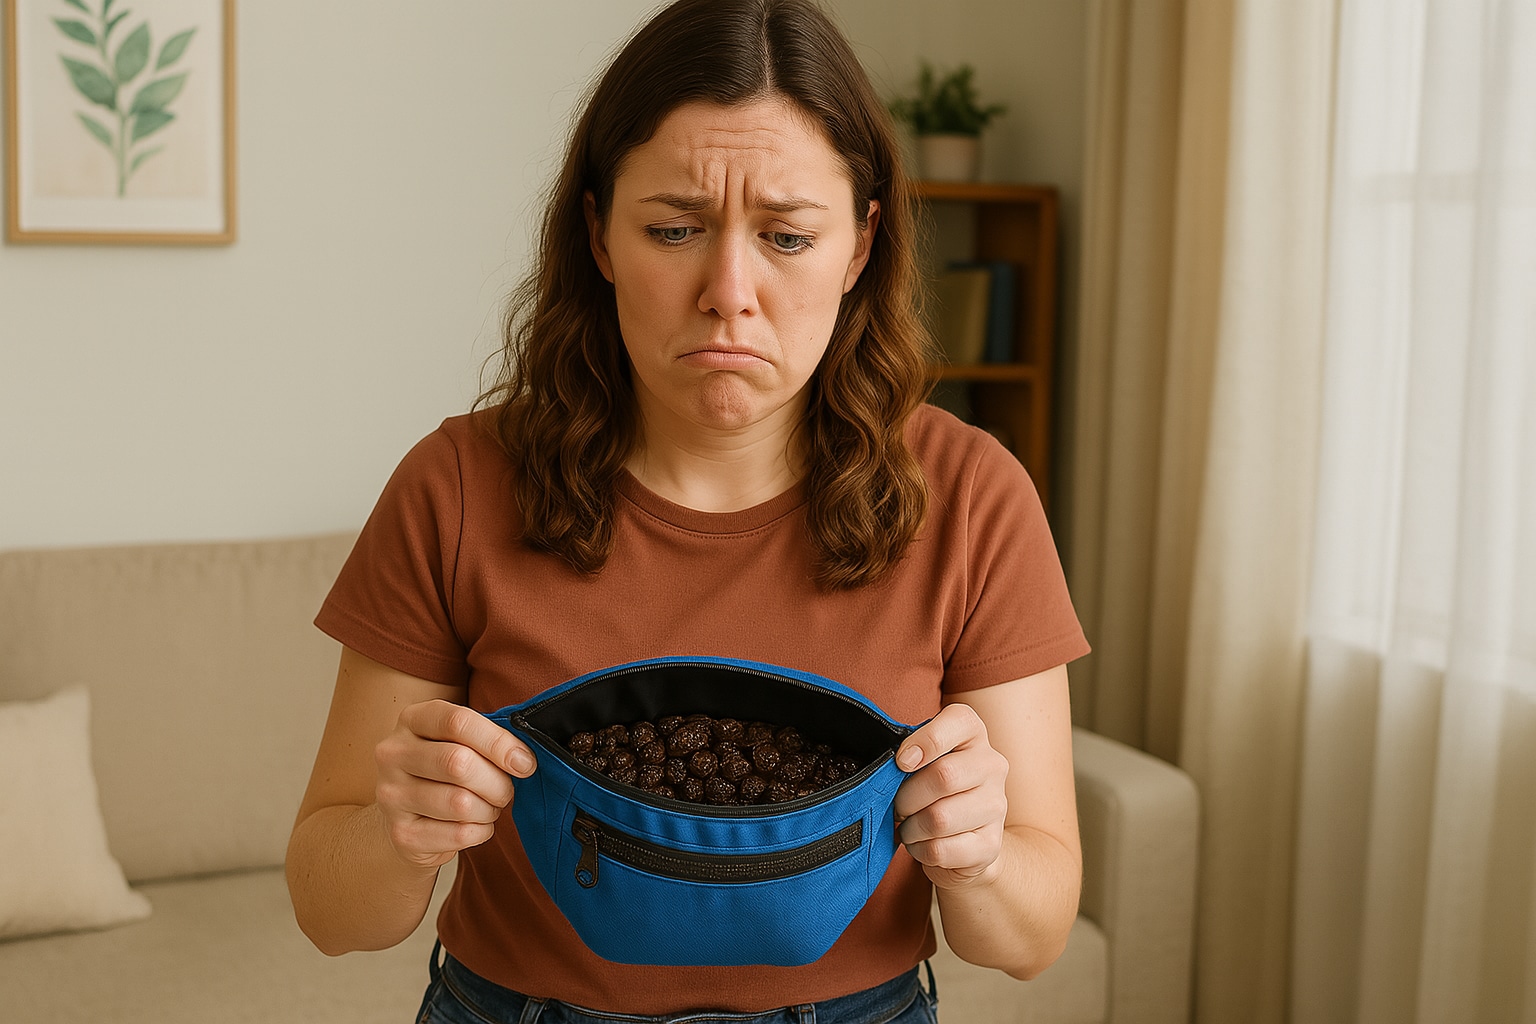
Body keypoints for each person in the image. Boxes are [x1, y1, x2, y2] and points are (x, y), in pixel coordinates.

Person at [285, 0, 1089, 1020]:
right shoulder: (454, 485)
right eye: (674, 228)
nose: (729, 291)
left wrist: (977, 855)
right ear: (599, 233)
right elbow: (329, 908)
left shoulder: (975, 496)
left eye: (789, 236)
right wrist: (397, 828)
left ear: (859, 246)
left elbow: (1032, 934)